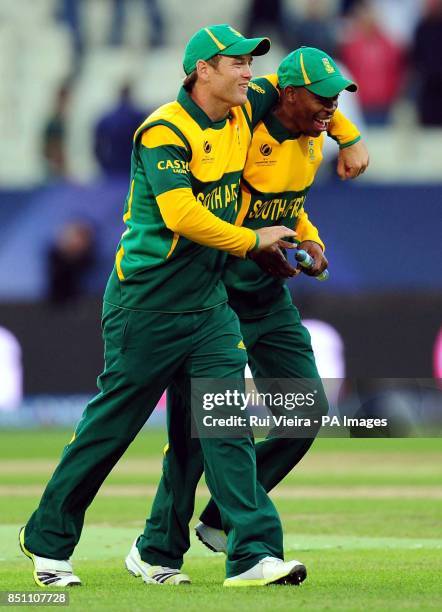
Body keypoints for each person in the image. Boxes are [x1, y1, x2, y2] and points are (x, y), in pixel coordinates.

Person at [19, 24, 309, 589]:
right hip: (146, 305)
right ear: (203, 70)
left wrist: (350, 139)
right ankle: (47, 539)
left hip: (207, 306)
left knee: (223, 427)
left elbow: (309, 89)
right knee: (112, 428)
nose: (250, 73)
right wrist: (253, 240)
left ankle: (251, 554)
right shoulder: (163, 131)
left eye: (252, 65)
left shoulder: (241, 114)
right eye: (238, 64)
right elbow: (181, 216)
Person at [138, 47, 368, 570]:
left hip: (267, 297)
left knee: (306, 411)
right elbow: (258, 91)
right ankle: (157, 550)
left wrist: (309, 239)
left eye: (338, 100)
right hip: (214, 292)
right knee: (199, 435)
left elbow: (288, 204)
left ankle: (221, 517)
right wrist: (350, 137)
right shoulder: (245, 121)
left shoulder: (313, 139)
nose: (331, 108)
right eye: (322, 97)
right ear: (287, 94)